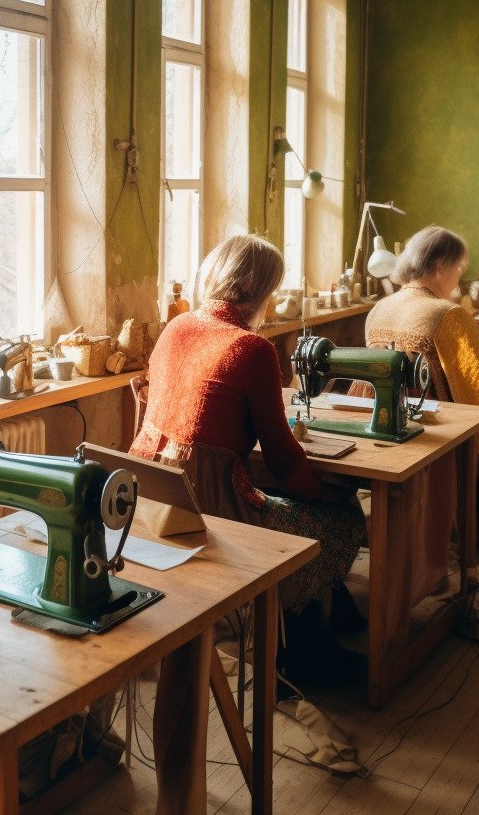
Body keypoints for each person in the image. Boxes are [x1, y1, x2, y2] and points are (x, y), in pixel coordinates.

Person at [130, 234, 366, 683]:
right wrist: (324, 493)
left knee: (299, 501)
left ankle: (326, 622)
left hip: (153, 497)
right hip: (213, 509)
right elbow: (282, 460)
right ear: (259, 290)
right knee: (341, 517)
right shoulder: (251, 348)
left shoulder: (177, 327)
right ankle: (308, 652)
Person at [363, 225, 479, 548]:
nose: (460, 276)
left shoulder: (380, 308)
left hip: (385, 416)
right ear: (439, 268)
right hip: (434, 420)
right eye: (459, 268)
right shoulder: (448, 313)